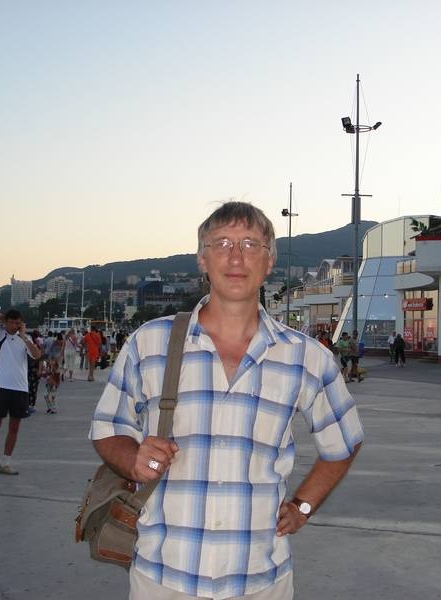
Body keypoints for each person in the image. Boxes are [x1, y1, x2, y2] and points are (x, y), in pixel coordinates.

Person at [90, 201, 364, 600]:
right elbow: (106, 428)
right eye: (221, 243)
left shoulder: (306, 357)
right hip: (164, 576)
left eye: (251, 244)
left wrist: (304, 506)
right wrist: (132, 458)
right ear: (202, 259)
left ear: (269, 262)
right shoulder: (150, 343)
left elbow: (344, 441)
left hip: (260, 580)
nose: (236, 257)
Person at [0, 309, 41, 476]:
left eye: (17, 322)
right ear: (6, 322)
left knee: (14, 428)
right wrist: (4, 320)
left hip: (20, 389)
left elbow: (37, 355)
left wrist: (24, 335)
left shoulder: (25, 339)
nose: (14, 325)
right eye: (12, 322)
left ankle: (5, 463)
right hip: (1, 387)